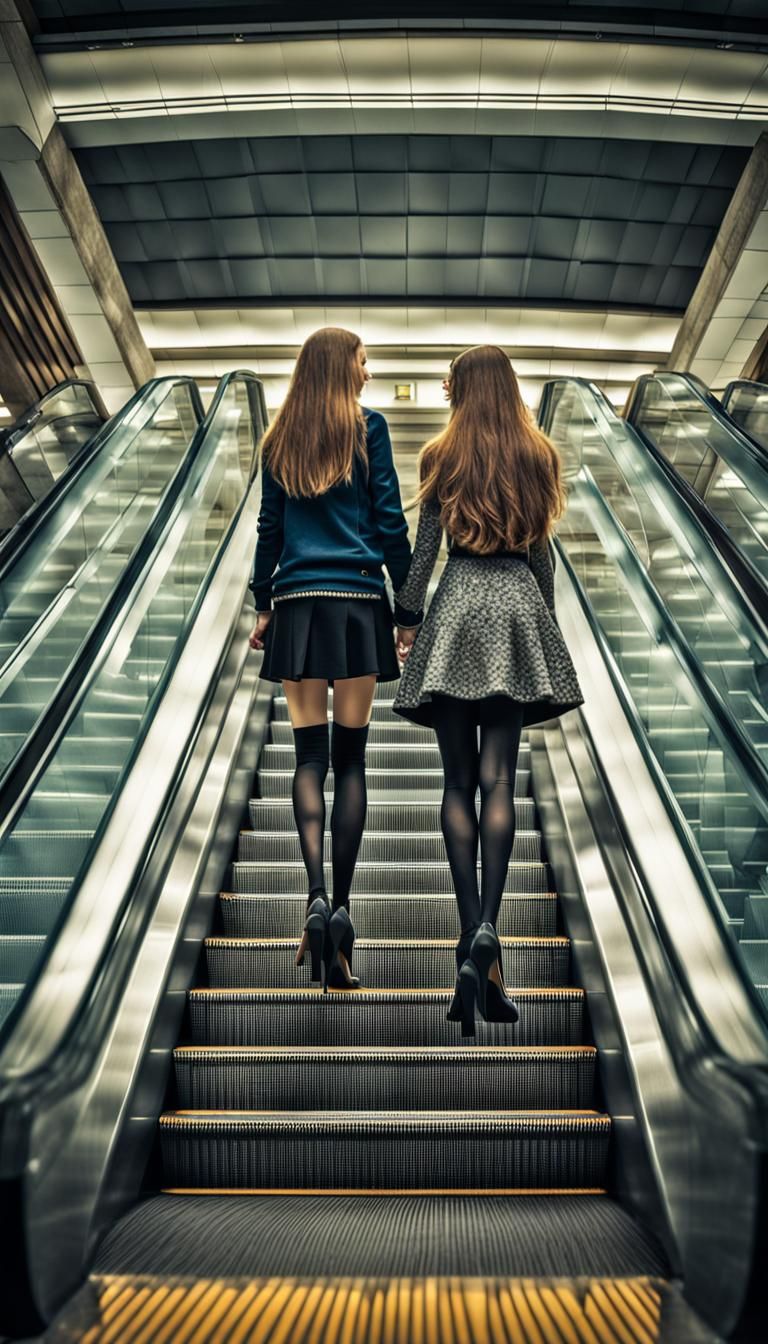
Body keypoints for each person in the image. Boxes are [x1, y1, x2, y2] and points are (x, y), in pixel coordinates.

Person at [392, 345, 583, 1036]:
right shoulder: (539, 456)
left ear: (461, 390)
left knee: (457, 783)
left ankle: (470, 932)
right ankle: (488, 933)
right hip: (515, 608)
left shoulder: (441, 455)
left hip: (457, 606)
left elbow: (422, 556)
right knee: (500, 782)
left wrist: (406, 621)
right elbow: (542, 557)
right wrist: (545, 631)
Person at [248, 327, 421, 991]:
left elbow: (270, 529)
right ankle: (342, 912)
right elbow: (389, 527)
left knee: (307, 760)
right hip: (353, 605)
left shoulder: (279, 436)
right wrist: (408, 613)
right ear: (341, 368)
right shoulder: (367, 429)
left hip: (296, 603)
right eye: (362, 361)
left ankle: (314, 895)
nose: (369, 373)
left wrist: (264, 604)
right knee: (350, 760)